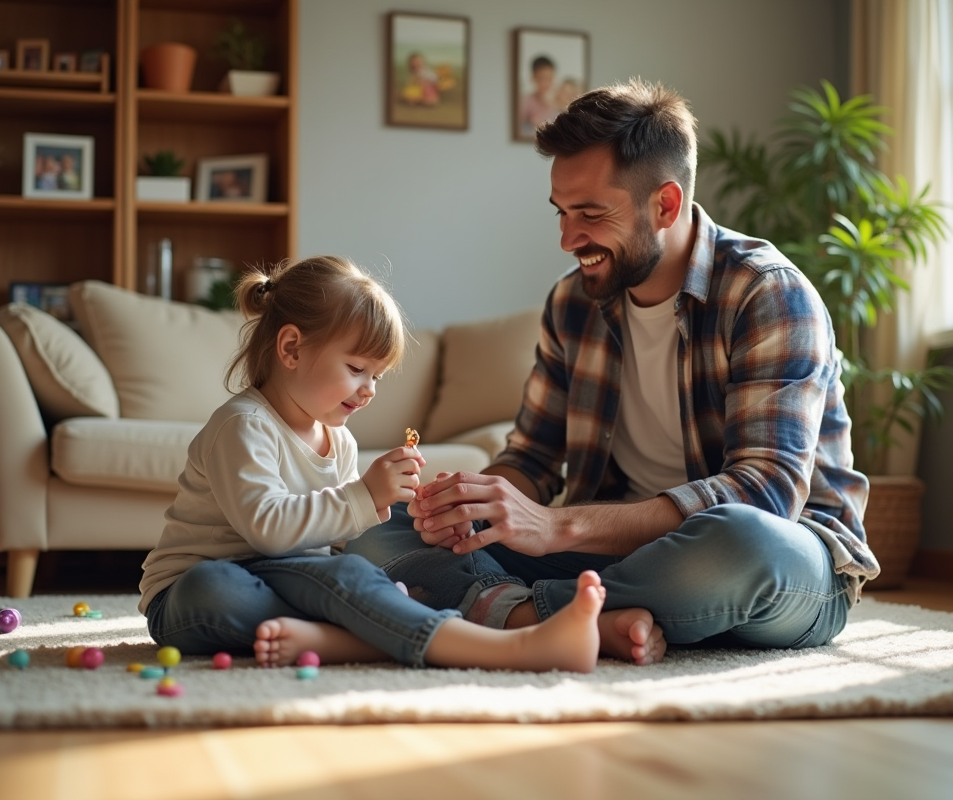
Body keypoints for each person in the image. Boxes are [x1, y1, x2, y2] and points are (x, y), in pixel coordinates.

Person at [346, 79, 881, 665]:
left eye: (591, 214)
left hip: (776, 560)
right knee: (380, 526)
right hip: (609, 558)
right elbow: (532, 459)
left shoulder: (768, 293)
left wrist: (558, 529)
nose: (567, 238)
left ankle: (507, 613)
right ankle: (570, 620)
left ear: (666, 205)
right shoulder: (571, 304)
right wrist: (475, 506)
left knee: (740, 542)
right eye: (562, 212)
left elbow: (765, 493)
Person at [138, 255, 609, 672]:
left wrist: (419, 517)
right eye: (357, 369)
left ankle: (348, 635)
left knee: (357, 575)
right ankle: (490, 648)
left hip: (283, 581)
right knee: (217, 586)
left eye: (377, 377)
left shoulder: (338, 440)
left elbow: (339, 544)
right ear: (291, 349)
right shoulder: (243, 427)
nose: (369, 391)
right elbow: (268, 531)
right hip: (189, 593)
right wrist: (364, 495)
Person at [518, 55, 558, 138]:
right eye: (542, 78)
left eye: (550, 79)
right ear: (533, 78)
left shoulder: (559, 102)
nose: (547, 83)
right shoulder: (526, 101)